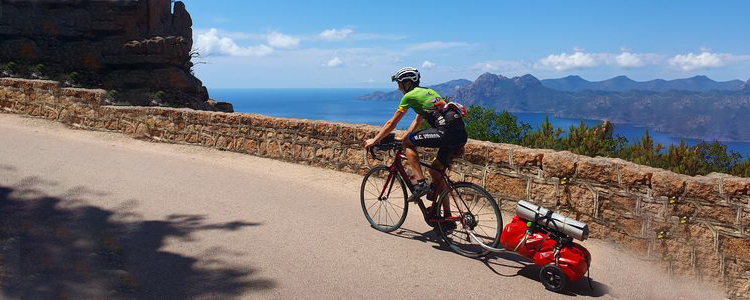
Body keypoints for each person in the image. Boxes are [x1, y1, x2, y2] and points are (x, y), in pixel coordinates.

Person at [364, 67, 468, 229]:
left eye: (399, 83)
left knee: (408, 144)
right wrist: (405, 136)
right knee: (436, 172)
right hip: (459, 132)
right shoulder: (428, 93)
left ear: (407, 83)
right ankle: (448, 218)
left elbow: (392, 123)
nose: (398, 87)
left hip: (445, 131)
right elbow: (418, 121)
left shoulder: (409, 96)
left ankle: (420, 184)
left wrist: (375, 140)